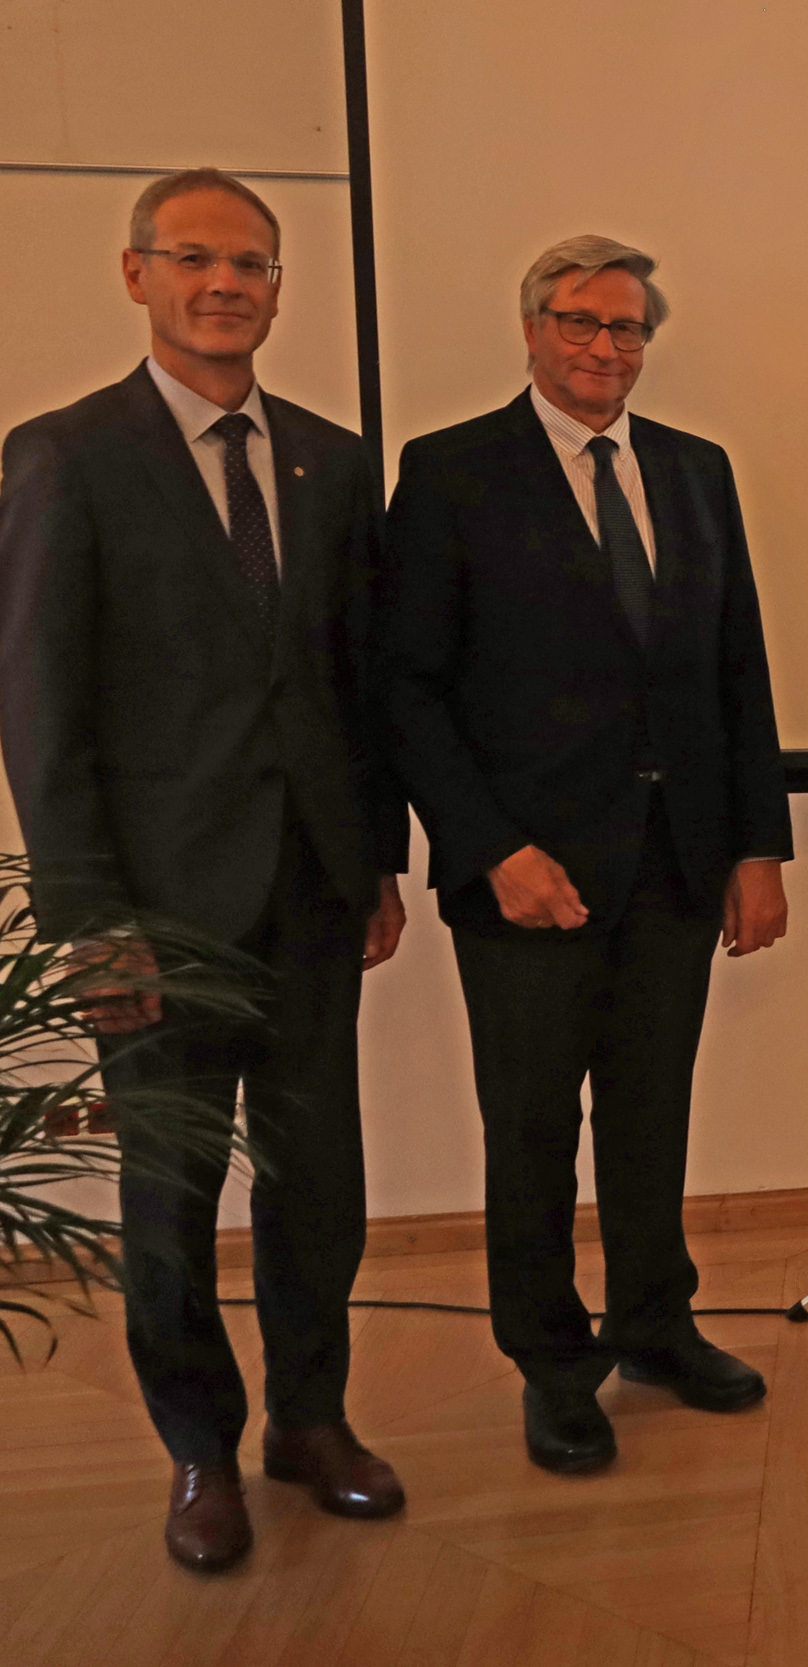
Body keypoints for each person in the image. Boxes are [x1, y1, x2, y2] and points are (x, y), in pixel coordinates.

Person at [0, 168, 409, 1571]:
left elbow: (355, 683)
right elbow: (42, 715)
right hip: (156, 916)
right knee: (171, 1201)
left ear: (279, 287)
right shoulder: (66, 454)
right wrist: (85, 923)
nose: (225, 283)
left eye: (251, 263)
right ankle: (200, 1453)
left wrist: (377, 861)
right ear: (137, 276)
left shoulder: (333, 459)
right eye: (194, 259)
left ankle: (312, 1420)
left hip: (312, 895)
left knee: (319, 1184)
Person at [381, 236, 795, 1475]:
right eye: (579, 322)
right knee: (529, 1131)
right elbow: (406, 688)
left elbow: (737, 672)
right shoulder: (451, 472)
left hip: (676, 861)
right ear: (532, 329)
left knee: (651, 1115)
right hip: (526, 876)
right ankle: (553, 1364)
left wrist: (756, 845)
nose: (604, 348)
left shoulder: (696, 469)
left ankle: (658, 1323)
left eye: (626, 329)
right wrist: (489, 845)